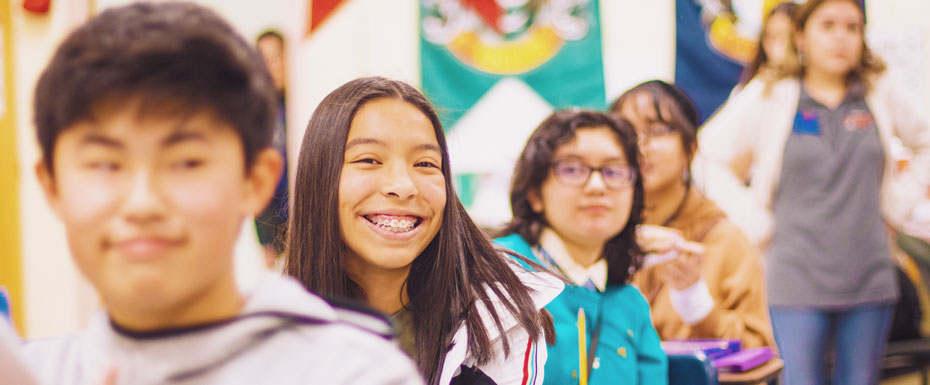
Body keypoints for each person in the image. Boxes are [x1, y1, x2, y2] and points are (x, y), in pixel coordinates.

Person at [22, 3, 422, 384]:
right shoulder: (29, 375)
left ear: (255, 181)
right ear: (52, 186)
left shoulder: (355, 374)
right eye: (105, 165)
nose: (142, 203)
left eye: (186, 162)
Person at [694, 0, 930, 383]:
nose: (842, 37)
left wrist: (896, 208)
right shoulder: (773, 92)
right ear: (801, 35)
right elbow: (706, 156)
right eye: (829, 25)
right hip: (794, 277)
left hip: (869, 273)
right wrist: (756, 222)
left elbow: (925, 141)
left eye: (853, 27)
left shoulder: (877, 89)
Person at [285, 76, 563, 385]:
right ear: (318, 177)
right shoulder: (261, 330)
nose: (403, 186)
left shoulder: (498, 323)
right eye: (369, 160)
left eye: (426, 163)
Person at [494, 110, 668, 385]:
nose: (597, 186)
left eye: (614, 171)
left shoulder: (630, 304)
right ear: (535, 193)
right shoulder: (495, 272)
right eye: (572, 169)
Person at [611, 80, 775, 349]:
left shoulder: (724, 240)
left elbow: (759, 351)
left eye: (658, 130)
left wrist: (699, 308)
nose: (640, 145)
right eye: (626, 132)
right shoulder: (600, 235)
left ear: (690, 147)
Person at [254, 29, 289, 267]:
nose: (271, 67)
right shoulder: (260, 115)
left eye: (275, 58)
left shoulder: (301, 104)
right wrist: (265, 239)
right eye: (263, 60)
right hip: (275, 226)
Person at [738, 1, 800, 88]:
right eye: (770, 36)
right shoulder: (755, 84)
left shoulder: (802, 87)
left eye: (782, 36)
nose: (775, 45)